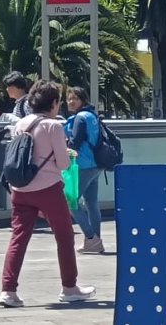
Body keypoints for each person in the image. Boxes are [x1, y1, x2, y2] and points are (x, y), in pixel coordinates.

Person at [0, 81, 95, 308]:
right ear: (53, 103)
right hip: (48, 189)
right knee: (64, 236)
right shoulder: (53, 126)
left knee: (18, 239)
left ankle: (8, 290)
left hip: (20, 190)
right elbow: (62, 163)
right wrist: (68, 154)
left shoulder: (21, 123)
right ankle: (69, 287)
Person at [64, 87, 105, 255]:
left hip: (83, 165)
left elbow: (74, 143)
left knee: (70, 201)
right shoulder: (92, 115)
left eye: (75, 98)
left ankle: (91, 238)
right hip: (96, 164)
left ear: (82, 100)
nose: (71, 102)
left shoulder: (80, 118)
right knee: (91, 203)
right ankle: (96, 240)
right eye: (69, 98)